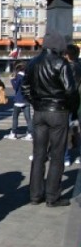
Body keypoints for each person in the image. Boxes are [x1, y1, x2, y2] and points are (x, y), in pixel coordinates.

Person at [21, 32, 78, 208]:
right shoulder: (61, 63)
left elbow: (25, 88)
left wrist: (36, 102)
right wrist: (71, 109)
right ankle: (52, 197)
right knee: (57, 155)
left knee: (38, 154)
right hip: (58, 111)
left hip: (40, 112)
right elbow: (70, 90)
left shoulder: (32, 63)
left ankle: (35, 194)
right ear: (58, 46)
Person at [5, 62, 33, 141]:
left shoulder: (19, 77)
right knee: (28, 118)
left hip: (18, 100)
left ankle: (14, 133)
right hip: (26, 100)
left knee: (15, 118)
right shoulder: (28, 77)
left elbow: (15, 87)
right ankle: (30, 133)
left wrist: (12, 80)